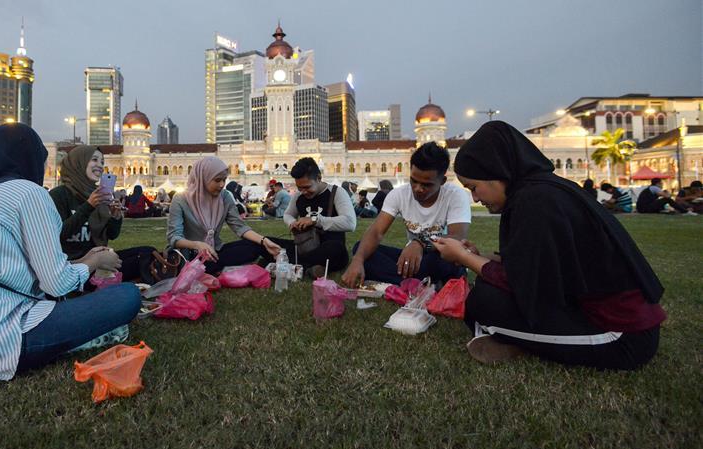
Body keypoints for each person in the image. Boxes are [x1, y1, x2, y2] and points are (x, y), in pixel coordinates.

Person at [433, 121, 665, 370]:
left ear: (497, 172)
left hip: (620, 335)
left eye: (474, 188)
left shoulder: (536, 201)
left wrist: (465, 258)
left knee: (482, 304)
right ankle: (525, 339)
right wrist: (479, 256)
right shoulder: (542, 191)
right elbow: (543, 265)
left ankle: (521, 340)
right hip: (592, 313)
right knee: (486, 290)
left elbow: (522, 282)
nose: (475, 198)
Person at [0, 123, 140, 383]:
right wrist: (94, 261)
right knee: (128, 296)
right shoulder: (28, 193)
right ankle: (76, 341)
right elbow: (57, 285)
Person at [342, 142, 471, 289]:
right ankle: (426, 283)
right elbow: (376, 232)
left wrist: (420, 243)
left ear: (442, 181)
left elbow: (457, 237)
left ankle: (409, 281)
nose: (418, 189)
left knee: (447, 261)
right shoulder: (399, 194)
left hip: (438, 256)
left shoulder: (455, 195)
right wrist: (357, 260)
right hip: (412, 259)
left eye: (426, 185)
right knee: (361, 250)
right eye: (414, 181)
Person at [49, 146, 157, 282]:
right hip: (75, 265)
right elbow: (58, 235)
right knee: (138, 269)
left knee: (148, 253)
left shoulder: (99, 193)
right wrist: (88, 206)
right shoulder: (60, 195)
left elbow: (112, 234)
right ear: (79, 163)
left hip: (102, 259)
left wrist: (115, 216)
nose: (100, 166)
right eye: (94, 160)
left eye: (102, 162)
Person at [167, 156, 281, 274]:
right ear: (203, 178)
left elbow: (240, 227)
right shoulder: (181, 199)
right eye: (217, 180)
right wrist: (197, 245)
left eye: (224, 180)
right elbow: (174, 237)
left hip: (215, 253)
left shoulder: (225, 197)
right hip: (189, 256)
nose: (222, 185)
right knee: (205, 265)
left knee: (259, 244)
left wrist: (264, 240)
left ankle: (282, 263)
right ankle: (212, 270)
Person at [265, 157, 356, 278]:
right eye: (299, 188)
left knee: (336, 249)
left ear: (318, 178)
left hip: (328, 248)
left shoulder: (336, 192)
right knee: (267, 242)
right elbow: (288, 215)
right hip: (305, 246)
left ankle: (288, 262)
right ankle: (308, 267)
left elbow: (350, 223)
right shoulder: (298, 196)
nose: (303, 192)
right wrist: (292, 222)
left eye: (307, 187)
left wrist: (315, 220)